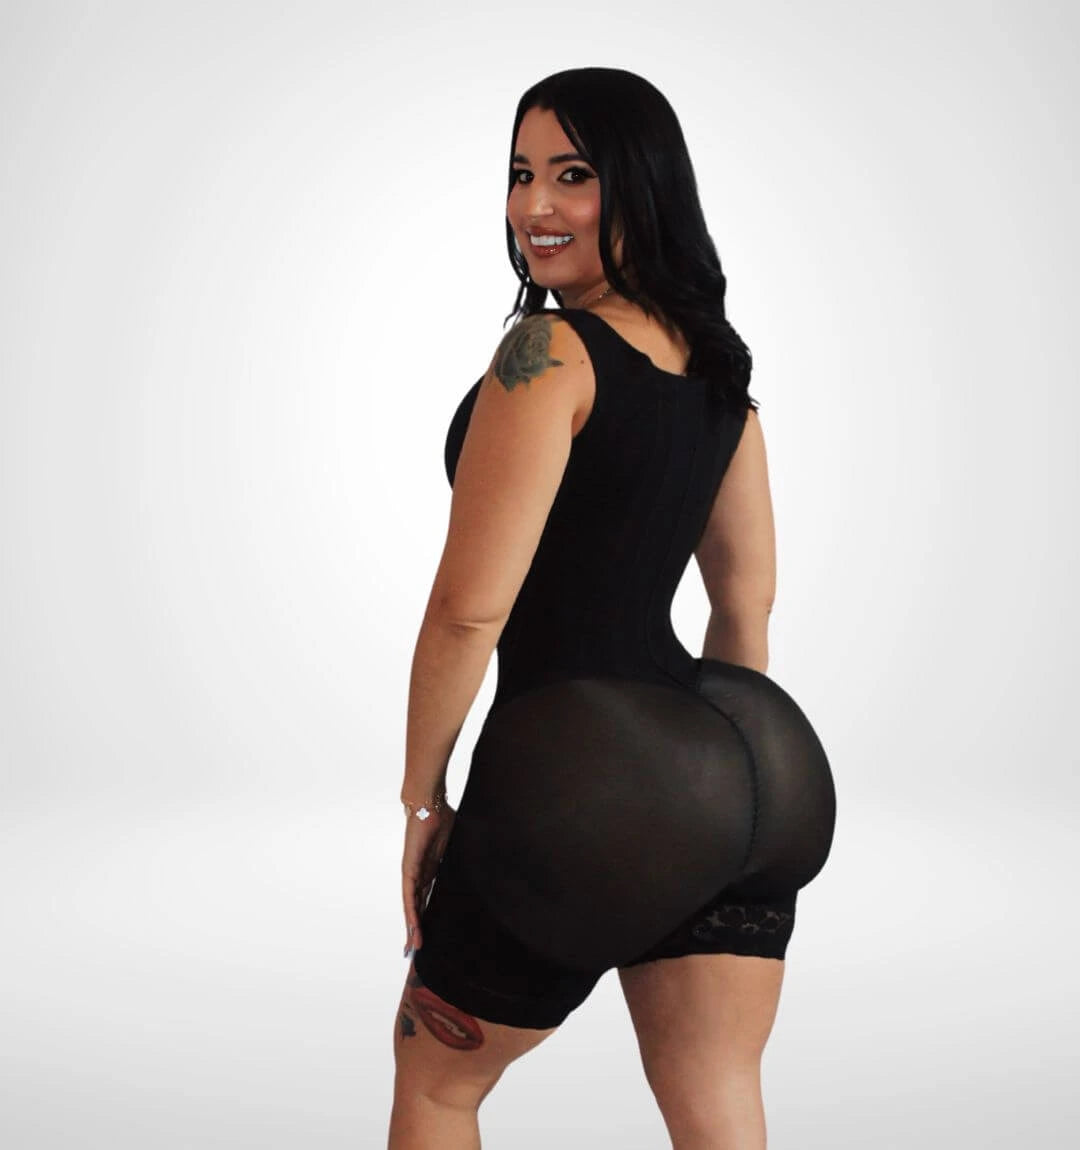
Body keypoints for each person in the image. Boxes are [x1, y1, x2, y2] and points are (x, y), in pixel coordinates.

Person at [387, 66, 837, 1148]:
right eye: (520, 174)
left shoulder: (547, 354)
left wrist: (423, 800)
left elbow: (467, 611)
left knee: (437, 1085)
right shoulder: (722, 378)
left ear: (642, 185)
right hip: (762, 771)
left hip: (585, 767)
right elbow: (746, 609)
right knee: (714, 1092)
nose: (535, 206)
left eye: (574, 175)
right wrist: (704, 801)